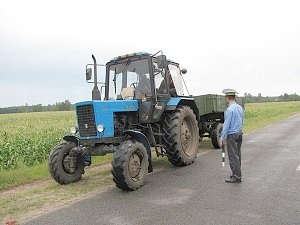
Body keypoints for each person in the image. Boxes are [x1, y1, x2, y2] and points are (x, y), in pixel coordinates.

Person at [220, 89, 244, 183]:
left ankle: (237, 177)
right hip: (239, 133)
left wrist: (222, 137)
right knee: (237, 154)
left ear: (227, 98)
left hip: (232, 135)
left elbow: (226, 125)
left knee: (233, 156)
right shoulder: (240, 107)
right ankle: (235, 173)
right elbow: (242, 121)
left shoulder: (229, 110)